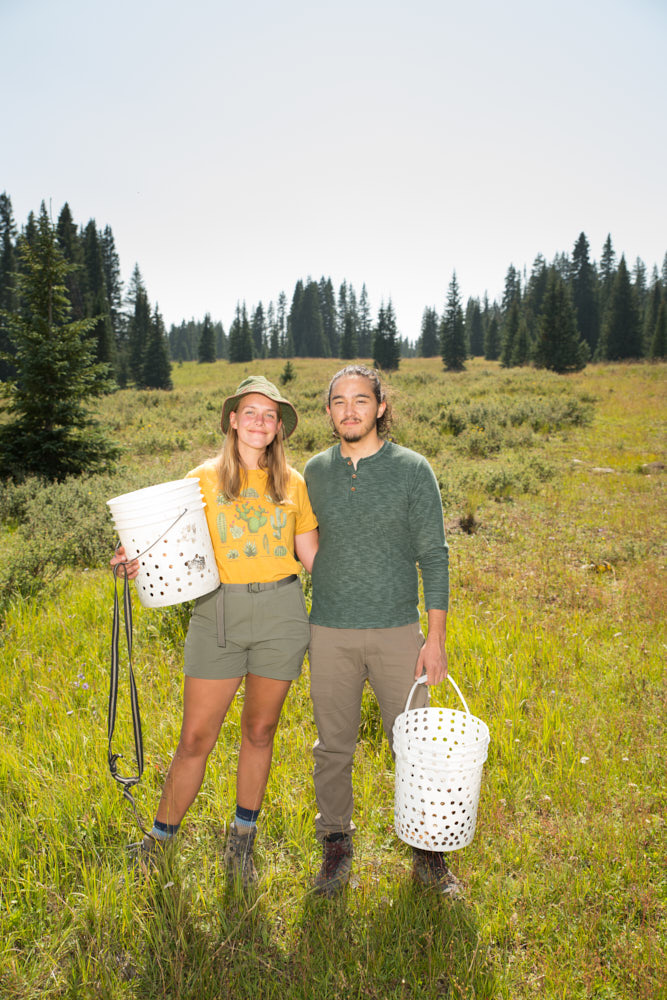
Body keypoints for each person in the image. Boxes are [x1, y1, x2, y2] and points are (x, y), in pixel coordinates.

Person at [111, 375, 318, 885]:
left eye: (269, 415)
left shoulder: (293, 483)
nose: (259, 421)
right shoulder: (202, 479)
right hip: (216, 615)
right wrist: (133, 557)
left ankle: (241, 840)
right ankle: (159, 839)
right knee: (195, 737)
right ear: (232, 419)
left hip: (282, 615)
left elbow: (314, 557)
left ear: (278, 428)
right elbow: (167, 541)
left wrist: (368, 586)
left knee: (260, 731)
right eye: (250, 411)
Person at [304, 364, 459, 896]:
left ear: (381, 407)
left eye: (361, 400)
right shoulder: (314, 473)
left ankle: (429, 851)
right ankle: (336, 844)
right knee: (332, 747)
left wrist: (433, 641)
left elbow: (434, 559)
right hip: (328, 632)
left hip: (398, 632)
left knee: (417, 746)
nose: (350, 410)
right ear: (328, 412)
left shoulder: (413, 470)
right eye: (340, 401)